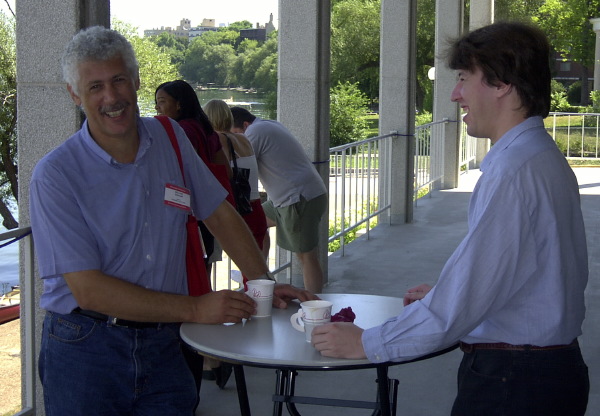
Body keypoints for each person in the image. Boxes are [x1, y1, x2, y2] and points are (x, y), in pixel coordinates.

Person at [29, 26, 316, 416]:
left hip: (166, 344)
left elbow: (219, 213)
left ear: (137, 81)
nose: (111, 97)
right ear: (75, 95)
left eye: (118, 80)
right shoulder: (56, 175)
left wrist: (261, 282)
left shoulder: (170, 137)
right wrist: (197, 309)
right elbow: (89, 290)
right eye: (94, 87)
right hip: (87, 349)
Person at [312, 21, 589, 416]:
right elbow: (524, 273)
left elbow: (465, 299)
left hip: (514, 383)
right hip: (542, 372)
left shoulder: (513, 170)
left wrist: (368, 342)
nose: (456, 94)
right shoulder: (539, 157)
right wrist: (449, 294)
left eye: (463, 78)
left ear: (501, 82)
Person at [231, 107, 328, 294]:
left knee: (306, 255)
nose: (235, 139)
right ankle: (260, 276)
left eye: (235, 134)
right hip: (291, 197)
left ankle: (314, 305)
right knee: (259, 223)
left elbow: (240, 164)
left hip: (298, 198)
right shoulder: (268, 124)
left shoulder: (254, 132)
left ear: (245, 125)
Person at [155, 80, 231, 277]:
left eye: (162, 101)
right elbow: (226, 169)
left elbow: (177, 173)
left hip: (188, 212)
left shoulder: (181, 131)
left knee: (188, 269)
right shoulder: (206, 128)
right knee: (204, 267)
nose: (157, 108)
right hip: (211, 208)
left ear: (179, 104)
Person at [203, 99, 267, 263]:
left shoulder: (217, 140)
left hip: (239, 210)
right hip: (255, 207)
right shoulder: (243, 138)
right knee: (255, 274)